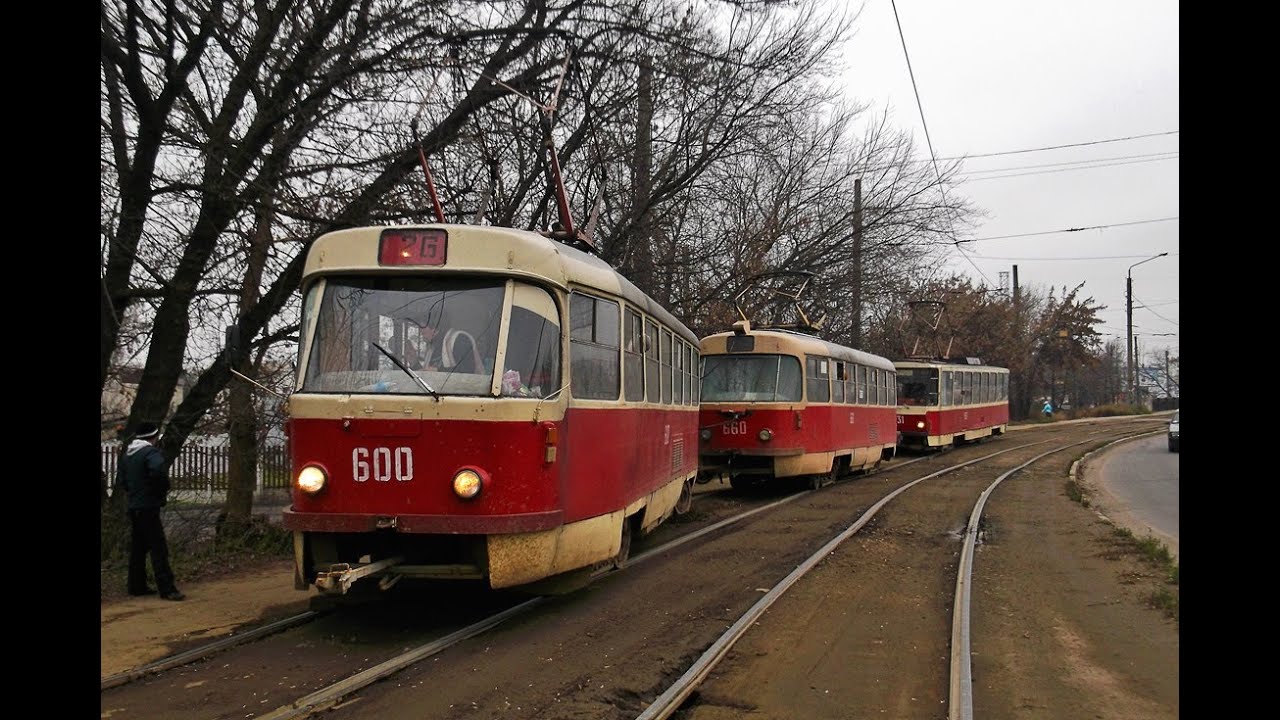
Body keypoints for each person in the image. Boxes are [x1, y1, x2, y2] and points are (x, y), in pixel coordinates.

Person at [118, 422, 185, 601]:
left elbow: (122, 480)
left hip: (134, 506)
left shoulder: (127, 455)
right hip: (148, 506)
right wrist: (160, 491)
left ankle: (136, 585)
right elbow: (158, 472)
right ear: (154, 437)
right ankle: (167, 589)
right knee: (158, 548)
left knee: (138, 548)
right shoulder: (151, 453)